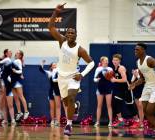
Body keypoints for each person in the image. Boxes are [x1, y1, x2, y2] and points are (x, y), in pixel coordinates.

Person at [48, 4, 95, 136]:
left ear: (76, 35)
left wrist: (82, 74)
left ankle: (68, 125)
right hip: (61, 77)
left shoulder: (80, 49)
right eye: (68, 32)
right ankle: (75, 108)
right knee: (67, 103)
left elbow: (92, 63)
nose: (69, 34)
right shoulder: (62, 41)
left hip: (73, 76)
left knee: (71, 98)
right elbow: (51, 27)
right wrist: (55, 12)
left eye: (72, 33)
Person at [129, 43, 155, 138]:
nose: (135, 51)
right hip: (147, 86)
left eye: (137, 50)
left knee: (149, 111)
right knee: (146, 112)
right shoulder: (138, 62)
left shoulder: (149, 59)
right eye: (135, 49)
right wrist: (134, 84)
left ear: (143, 50)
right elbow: (142, 79)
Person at [111, 54, 138, 127]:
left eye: (116, 60)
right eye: (114, 60)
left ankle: (137, 121)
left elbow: (124, 79)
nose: (115, 61)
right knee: (115, 103)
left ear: (119, 61)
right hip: (120, 90)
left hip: (127, 89)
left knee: (130, 106)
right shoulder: (114, 69)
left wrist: (114, 80)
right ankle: (120, 120)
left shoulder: (121, 68)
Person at [39, 60, 62, 126]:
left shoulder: (59, 72)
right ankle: (52, 120)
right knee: (52, 107)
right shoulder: (50, 73)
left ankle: (57, 120)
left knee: (58, 106)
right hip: (51, 91)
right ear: (51, 67)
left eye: (56, 65)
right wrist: (42, 64)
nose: (55, 66)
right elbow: (41, 70)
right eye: (53, 65)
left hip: (58, 91)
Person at [93, 56, 113, 127]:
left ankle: (110, 122)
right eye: (105, 60)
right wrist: (97, 80)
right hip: (100, 89)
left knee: (109, 105)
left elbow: (112, 79)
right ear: (102, 62)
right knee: (99, 105)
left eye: (107, 60)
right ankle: (97, 122)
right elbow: (94, 79)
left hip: (108, 88)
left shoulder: (110, 69)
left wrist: (110, 77)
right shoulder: (98, 69)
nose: (107, 61)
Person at [11, 50, 29, 121]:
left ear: (20, 55)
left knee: (21, 96)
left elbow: (20, 71)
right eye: (16, 52)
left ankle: (26, 111)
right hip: (12, 80)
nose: (16, 53)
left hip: (17, 81)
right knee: (15, 97)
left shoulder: (18, 60)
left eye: (18, 53)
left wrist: (15, 71)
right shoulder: (16, 61)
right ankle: (19, 112)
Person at [0, 49, 15, 125]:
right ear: (6, 53)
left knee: (9, 104)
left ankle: (11, 120)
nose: (11, 52)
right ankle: (8, 120)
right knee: (5, 103)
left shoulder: (8, 60)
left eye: (11, 52)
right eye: (9, 52)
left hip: (8, 84)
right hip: (4, 83)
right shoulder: (7, 59)